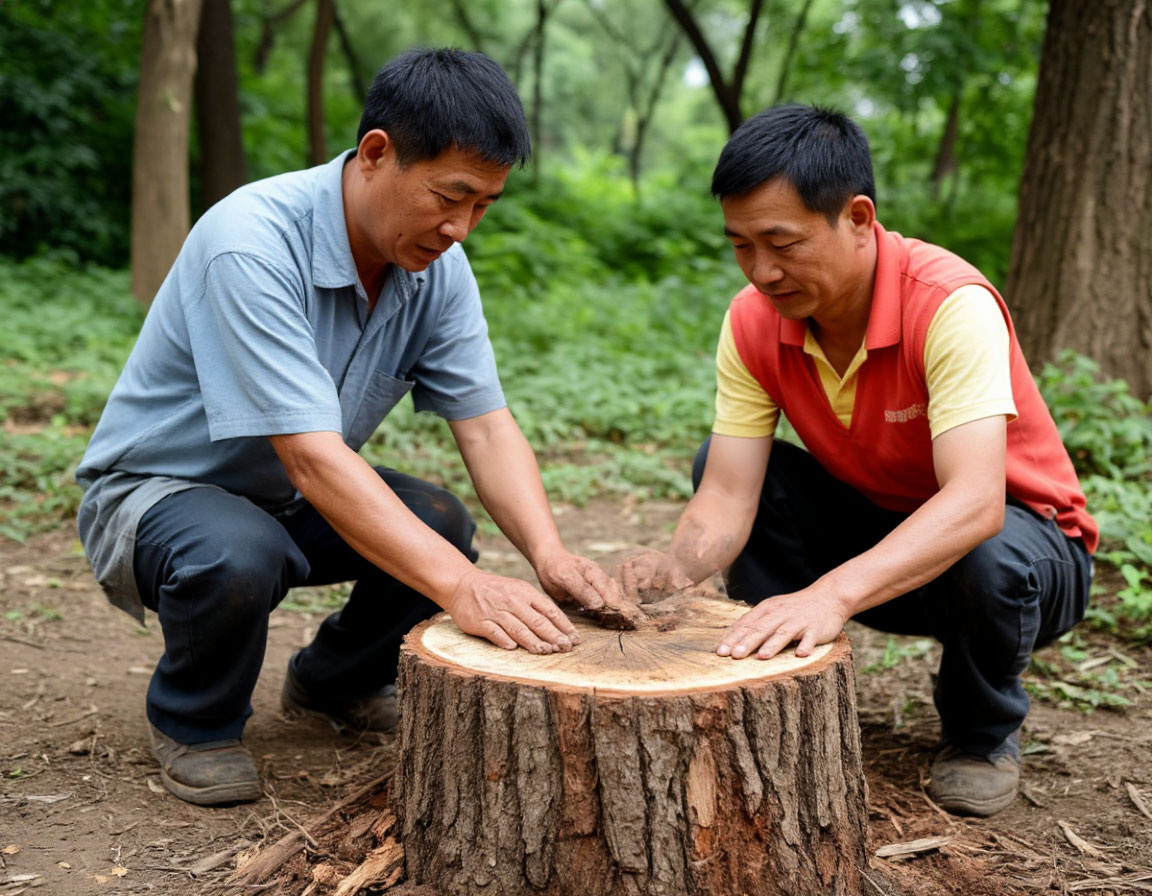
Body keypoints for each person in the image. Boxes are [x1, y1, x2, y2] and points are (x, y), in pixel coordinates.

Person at [76, 48, 623, 807]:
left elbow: (488, 427)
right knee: (241, 551)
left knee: (440, 519)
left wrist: (549, 553)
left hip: (285, 492)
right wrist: (462, 587)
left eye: (484, 205)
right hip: (158, 496)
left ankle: (332, 681)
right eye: (450, 196)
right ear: (375, 154)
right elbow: (310, 458)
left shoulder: (436, 269)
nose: (462, 227)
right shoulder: (252, 242)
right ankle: (194, 724)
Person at [619, 104, 1095, 817]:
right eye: (740, 245)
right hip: (890, 545)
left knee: (988, 553)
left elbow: (974, 503)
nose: (762, 270)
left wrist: (832, 594)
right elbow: (727, 492)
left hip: (1027, 560)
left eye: (782, 242)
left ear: (859, 218)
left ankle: (981, 734)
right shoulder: (753, 321)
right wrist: (675, 569)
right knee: (743, 468)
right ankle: (775, 682)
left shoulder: (947, 304)